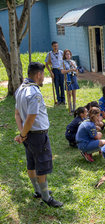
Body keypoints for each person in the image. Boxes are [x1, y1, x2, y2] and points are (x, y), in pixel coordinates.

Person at [14, 62, 63, 207]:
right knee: (42, 165)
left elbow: (17, 114)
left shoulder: (20, 89)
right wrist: (23, 134)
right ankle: (46, 198)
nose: (43, 78)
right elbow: (31, 117)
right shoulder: (34, 92)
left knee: (31, 163)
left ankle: (37, 191)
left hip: (28, 135)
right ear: (39, 74)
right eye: (43, 75)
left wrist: (22, 133)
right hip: (37, 135)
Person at [61, 49, 80, 114]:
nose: (68, 55)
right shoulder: (63, 62)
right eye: (66, 54)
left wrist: (74, 66)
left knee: (74, 94)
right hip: (68, 77)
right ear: (64, 55)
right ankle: (70, 109)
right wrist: (69, 70)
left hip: (73, 77)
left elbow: (77, 72)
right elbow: (62, 71)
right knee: (69, 94)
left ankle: (74, 109)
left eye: (69, 54)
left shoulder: (73, 62)